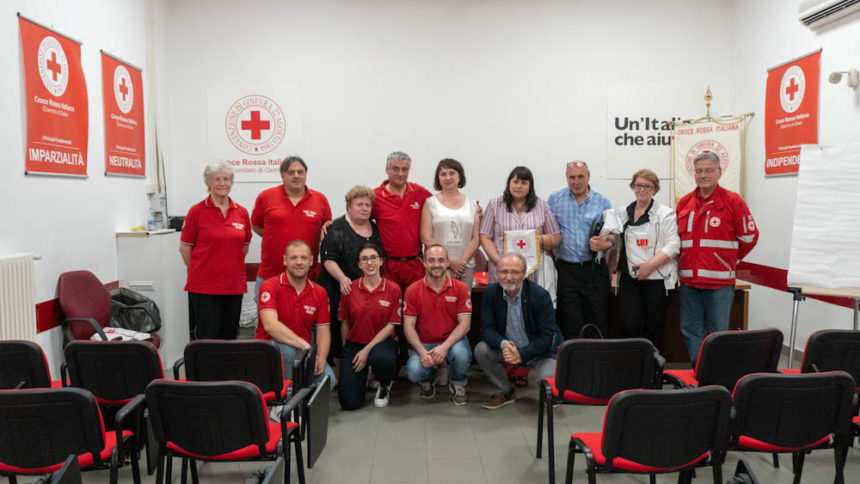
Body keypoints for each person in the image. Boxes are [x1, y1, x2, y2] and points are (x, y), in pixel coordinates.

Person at [676, 152, 758, 361]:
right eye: (699, 171)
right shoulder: (684, 203)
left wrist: (729, 260)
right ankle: (699, 372)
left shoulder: (733, 201)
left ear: (719, 172)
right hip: (689, 281)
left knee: (718, 333)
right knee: (691, 330)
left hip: (719, 283)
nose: (703, 175)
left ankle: (716, 377)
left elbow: (749, 237)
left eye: (709, 170)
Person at [600, 169, 679, 350]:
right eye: (638, 185)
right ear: (633, 187)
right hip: (629, 280)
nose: (642, 189)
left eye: (647, 186)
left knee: (653, 328)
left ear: (655, 189)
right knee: (630, 325)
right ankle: (633, 371)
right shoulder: (622, 213)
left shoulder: (665, 214)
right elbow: (611, 237)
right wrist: (603, 241)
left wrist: (648, 267)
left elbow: (673, 245)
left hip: (657, 280)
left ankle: (653, 373)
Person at [474, 253, 562, 409]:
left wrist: (522, 353)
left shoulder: (540, 295)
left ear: (524, 273)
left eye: (514, 272)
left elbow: (547, 337)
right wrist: (503, 344)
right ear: (497, 273)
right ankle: (505, 391)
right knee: (481, 350)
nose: (509, 277)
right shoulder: (490, 293)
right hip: (508, 350)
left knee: (548, 385)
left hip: (541, 353)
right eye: (504, 272)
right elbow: (487, 329)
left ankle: (552, 389)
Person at [371, 151, 432, 363]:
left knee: (417, 313)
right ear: (387, 170)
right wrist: (329, 224)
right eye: (395, 168)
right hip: (388, 266)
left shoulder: (421, 193)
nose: (400, 173)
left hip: (415, 264)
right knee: (388, 313)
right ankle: (389, 361)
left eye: (404, 169)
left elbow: (443, 208)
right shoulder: (375, 196)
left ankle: (418, 358)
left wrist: (474, 212)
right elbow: (356, 216)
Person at [179, 161, 252, 340]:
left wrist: (229, 264)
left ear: (231, 182)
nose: (222, 183)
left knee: (229, 336)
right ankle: (206, 369)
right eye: (217, 179)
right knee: (208, 337)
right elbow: (184, 249)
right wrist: (201, 269)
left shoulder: (241, 212)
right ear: (208, 183)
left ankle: (226, 369)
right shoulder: (196, 211)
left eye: (226, 179)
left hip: (233, 286)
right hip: (204, 288)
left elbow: (244, 245)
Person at [256, 240, 336, 389]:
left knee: (328, 380)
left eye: (304, 258)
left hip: (301, 353)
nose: (299, 262)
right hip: (270, 352)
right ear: (285, 260)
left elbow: (323, 330)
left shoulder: (320, 292)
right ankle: (281, 405)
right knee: (287, 352)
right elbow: (270, 325)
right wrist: (304, 346)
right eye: (293, 258)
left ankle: (299, 401)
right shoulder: (269, 286)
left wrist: (321, 356)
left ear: (311, 261)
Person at [548, 161, 613, 339]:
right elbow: (547, 230)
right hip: (565, 270)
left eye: (580, 176)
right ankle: (574, 364)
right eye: (572, 177)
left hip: (594, 269)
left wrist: (605, 244)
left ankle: (597, 363)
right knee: (570, 321)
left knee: (597, 319)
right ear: (566, 178)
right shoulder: (554, 199)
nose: (576, 181)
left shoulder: (603, 201)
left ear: (588, 176)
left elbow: (613, 236)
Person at [251, 156, 332, 296]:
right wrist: (275, 237)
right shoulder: (265, 197)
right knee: (268, 318)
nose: (296, 176)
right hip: (270, 276)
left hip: (307, 277)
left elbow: (326, 228)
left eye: (300, 172)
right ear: (282, 175)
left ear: (306, 174)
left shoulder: (320, 199)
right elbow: (256, 225)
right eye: (291, 172)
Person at [318, 186, 382, 359]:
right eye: (359, 204)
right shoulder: (336, 228)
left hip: (365, 290)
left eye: (367, 205)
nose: (364, 208)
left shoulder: (375, 228)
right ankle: (342, 372)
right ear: (349, 207)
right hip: (339, 288)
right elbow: (328, 259)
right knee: (338, 329)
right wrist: (342, 278)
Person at [403, 245, 472, 405]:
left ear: (447, 262)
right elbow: (408, 327)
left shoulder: (460, 288)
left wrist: (444, 347)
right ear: (424, 263)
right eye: (431, 260)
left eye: (441, 260)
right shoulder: (413, 290)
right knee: (414, 372)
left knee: (461, 355)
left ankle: (457, 382)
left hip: (453, 342)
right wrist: (421, 352)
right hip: (424, 343)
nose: (436, 264)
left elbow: (465, 325)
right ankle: (427, 379)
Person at [337, 243, 400, 410]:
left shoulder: (393, 289)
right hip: (355, 343)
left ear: (381, 261)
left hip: (382, 343)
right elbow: (344, 323)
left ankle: (384, 384)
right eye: (364, 259)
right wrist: (347, 352)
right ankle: (363, 378)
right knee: (350, 403)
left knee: (381, 358)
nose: (369, 262)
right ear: (359, 264)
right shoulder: (349, 289)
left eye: (373, 258)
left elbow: (391, 325)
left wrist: (366, 350)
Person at [480, 166, 561, 288]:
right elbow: (485, 237)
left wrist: (534, 239)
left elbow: (556, 238)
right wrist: (499, 261)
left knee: (532, 305)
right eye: (515, 182)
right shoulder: (494, 205)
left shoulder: (542, 206)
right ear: (509, 183)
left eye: (524, 182)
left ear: (530, 186)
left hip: (534, 272)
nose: (519, 186)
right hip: (502, 270)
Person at [420, 158, 480, 290]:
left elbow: (476, 238)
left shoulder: (472, 204)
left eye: (452, 173)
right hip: (437, 266)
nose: (448, 178)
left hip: (464, 267)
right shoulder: (430, 203)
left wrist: (461, 262)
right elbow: (426, 237)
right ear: (438, 179)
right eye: (443, 174)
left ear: (460, 177)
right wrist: (448, 261)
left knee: (462, 304)